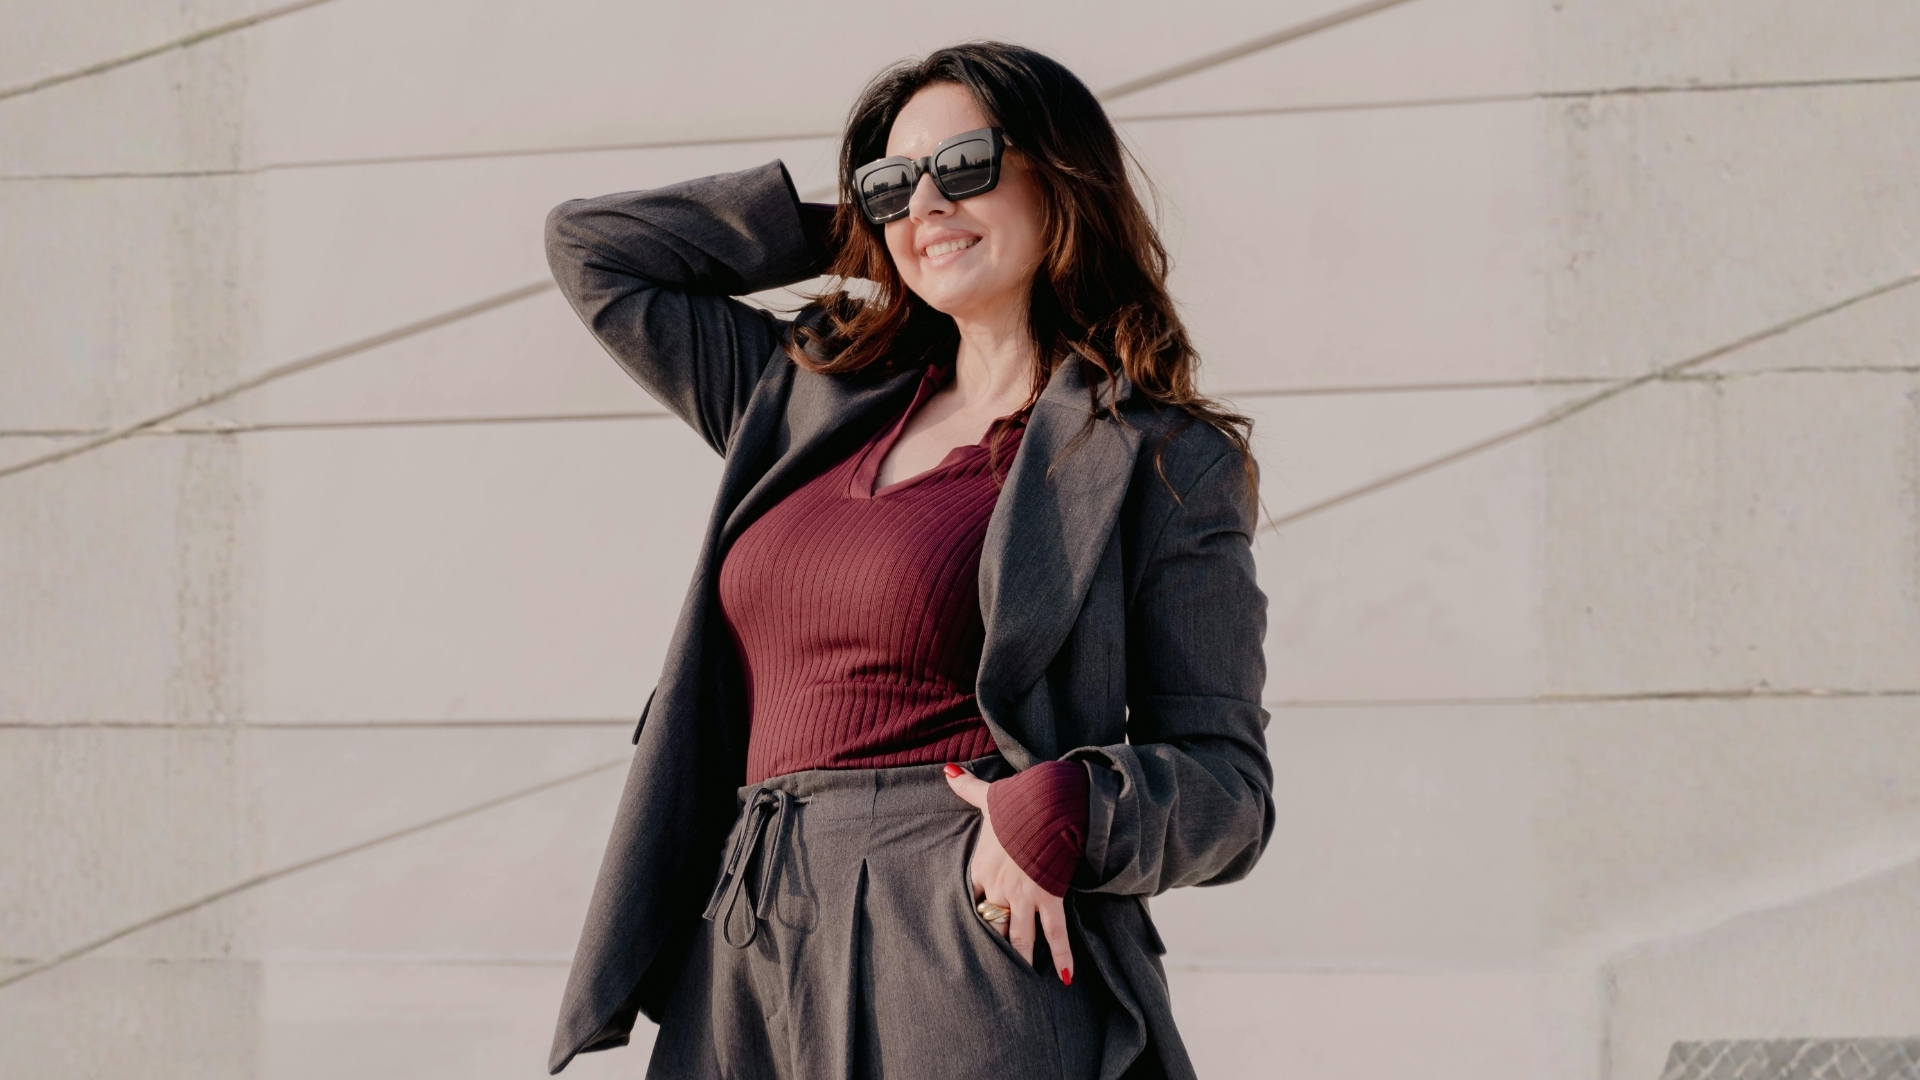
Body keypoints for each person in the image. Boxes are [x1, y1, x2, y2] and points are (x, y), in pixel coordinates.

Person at [542, 41, 1272, 1080]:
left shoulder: (1156, 458)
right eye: (894, 180)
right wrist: (888, 229)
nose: (927, 199)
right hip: (746, 925)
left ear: (1061, 176)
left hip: (960, 930)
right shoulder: (804, 394)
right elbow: (594, 250)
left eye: (967, 165)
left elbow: (1228, 788)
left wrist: (1067, 808)